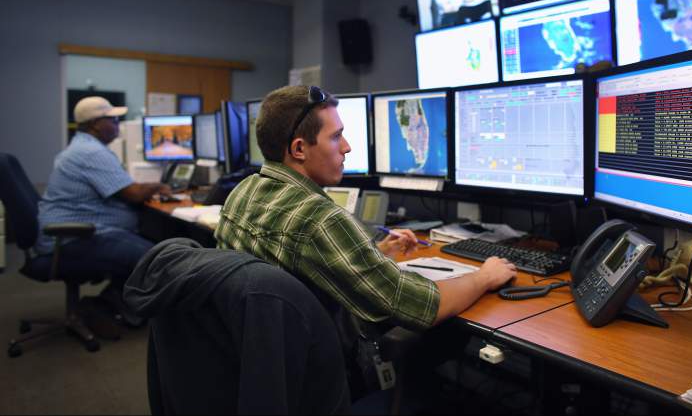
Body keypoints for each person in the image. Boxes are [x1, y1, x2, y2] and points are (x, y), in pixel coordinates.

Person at [215, 85, 516, 333]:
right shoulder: (320, 219)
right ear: (299, 149)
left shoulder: (243, 191)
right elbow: (421, 307)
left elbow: (301, 267)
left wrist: (375, 254)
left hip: (263, 355)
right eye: (336, 136)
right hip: (323, 364)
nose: (346, 147)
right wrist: (484, 277)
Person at [37, 96, 171, 325]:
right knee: (156, 257)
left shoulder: (82, 146)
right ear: (95, 124)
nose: (118, 124)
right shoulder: (91, 152)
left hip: (70, 233)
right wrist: (159, 187)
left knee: (148, 242)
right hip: (72, 237)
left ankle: (111, 303)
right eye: (113, 119)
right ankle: (119, 305)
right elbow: (133, 194)